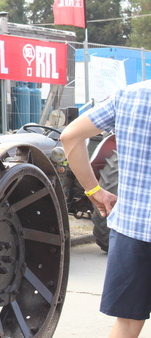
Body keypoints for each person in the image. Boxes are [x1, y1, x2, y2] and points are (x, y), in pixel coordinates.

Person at [60, 80, 151, 338]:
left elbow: (69, 136)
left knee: (126, 324)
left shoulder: (128, 96)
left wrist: (93, 190)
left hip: (131, 229)